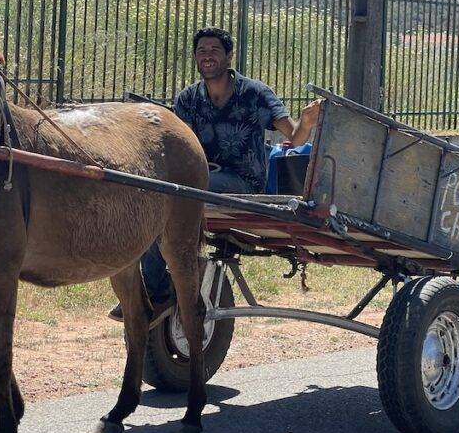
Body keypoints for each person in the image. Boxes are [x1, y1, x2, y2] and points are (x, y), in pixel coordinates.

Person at [110, 26, 321, 322]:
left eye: (214, 51)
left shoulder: (255, 94)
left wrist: (307, 122)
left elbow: (295, 138)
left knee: (171, 203)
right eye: (201, 51)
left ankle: (160, 295)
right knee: (154, 210)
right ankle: (155, 293)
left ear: (228, 56)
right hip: (197, 181)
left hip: (242, 183)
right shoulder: (187, 100)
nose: (207, 56)